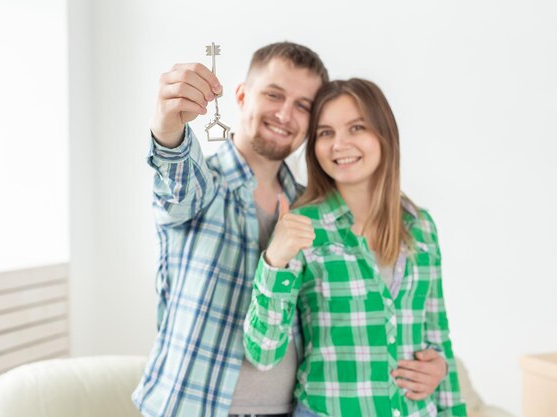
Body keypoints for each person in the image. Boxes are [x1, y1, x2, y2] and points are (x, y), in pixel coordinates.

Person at [133, 42, 449, 417]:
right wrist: (167, 125)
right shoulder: (206, 186)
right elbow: (176, 171)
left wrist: (435, 366)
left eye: (303, 106)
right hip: (195, 407)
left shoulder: (312, 211)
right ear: (241, 96)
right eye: (274, 95)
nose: (285, 114)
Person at [243, 78, 467, 417]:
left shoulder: (421, 227)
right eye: (326, 133)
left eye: (356, 127)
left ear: (384, 134)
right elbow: (262, 352)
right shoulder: (301, 225)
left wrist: (439, 371)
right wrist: (275, 261)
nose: (339, 144)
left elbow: (439, 338)